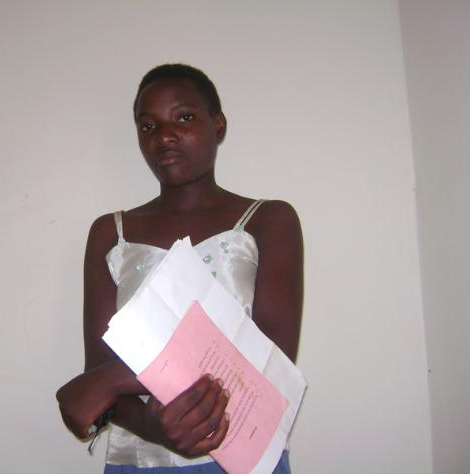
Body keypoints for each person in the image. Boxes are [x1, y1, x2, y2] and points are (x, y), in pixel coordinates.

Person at [57, 64, 303, 473]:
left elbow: (271, 362)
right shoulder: (110, 233)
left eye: (184, 118)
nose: (164, 136)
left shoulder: (269, 220)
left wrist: (113, 380)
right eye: (148, 126)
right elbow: (96, 370)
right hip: (139, 458)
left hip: (241, 457)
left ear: (218, 125)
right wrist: (152, 428)